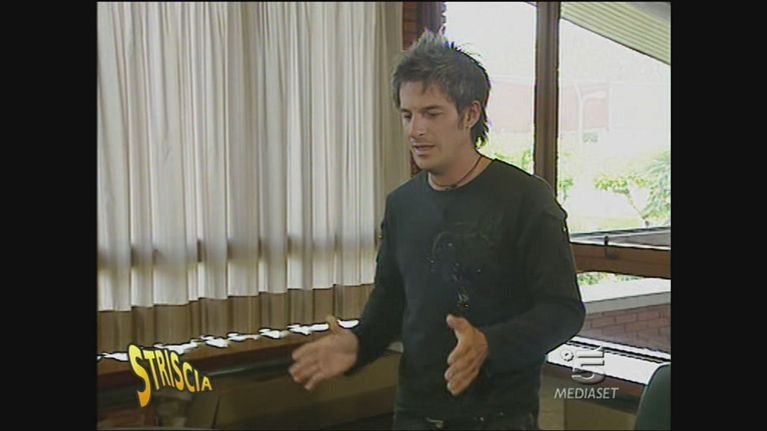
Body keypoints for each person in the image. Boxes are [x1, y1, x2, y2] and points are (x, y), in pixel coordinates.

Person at [289, 29, 585, 430]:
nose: (416, 130)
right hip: (415, 413)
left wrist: (489, 344)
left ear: (470, 115)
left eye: (431, 114)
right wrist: (358, 342)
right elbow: (391, 302)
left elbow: (563, 311)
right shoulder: (402, 204)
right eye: (407, 115)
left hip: (497, 416)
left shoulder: (525, 198)